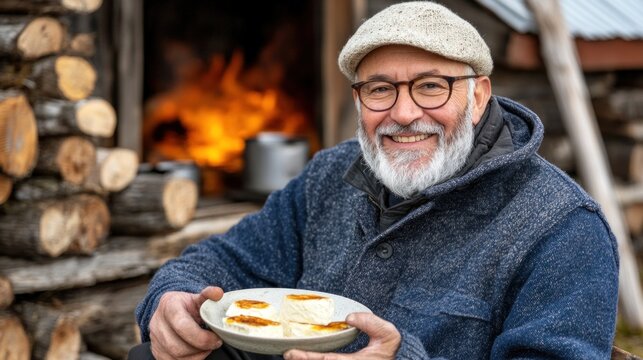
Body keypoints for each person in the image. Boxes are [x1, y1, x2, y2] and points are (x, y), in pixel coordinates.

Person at [131, 1, 619, 359]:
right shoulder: (332, 175)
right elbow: (222, 260)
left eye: (431, 86)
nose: (404, 113)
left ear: (477, 96)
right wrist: (172, 296)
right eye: (380, 90)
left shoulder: (561, 227)